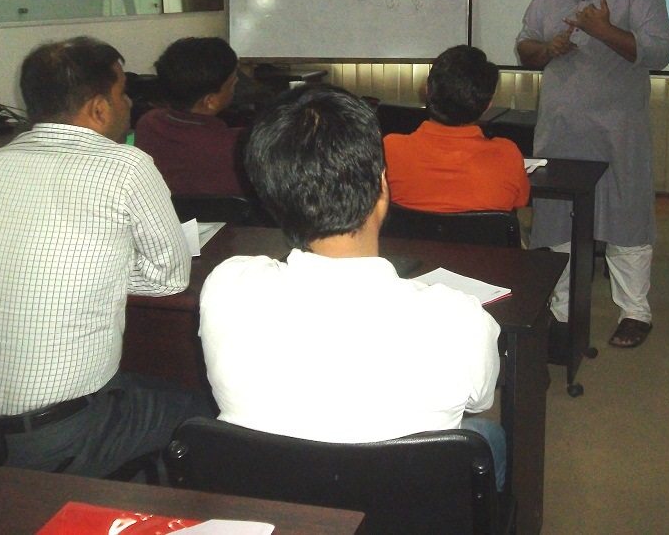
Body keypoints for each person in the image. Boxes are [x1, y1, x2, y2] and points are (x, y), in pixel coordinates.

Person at [199, 86, 505, 490]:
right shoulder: (460, 319)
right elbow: (479, 403)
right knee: (489, 435)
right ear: (382, 188)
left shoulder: (226, 285)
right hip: (406, 510)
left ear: (272, 200)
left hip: (277, 509)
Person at [0, 36, 213, 477]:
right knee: (203, 408)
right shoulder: (126, 166)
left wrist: (79, 267)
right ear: (99, 108)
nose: (129, 102)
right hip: (60, 433)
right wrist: (94, 270)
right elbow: (168, 278)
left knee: (139, 382)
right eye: (123, 91)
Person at [516, 0, 669, 350]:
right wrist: (547, 48)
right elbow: (525, 46)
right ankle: (560, 309)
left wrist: (603, 31)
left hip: (618, 132)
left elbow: (659, 53)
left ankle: (634, 312)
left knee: (626, 218)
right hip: (561, 131)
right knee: (556, 222)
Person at [384, 45, 530, 213]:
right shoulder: (508, 156)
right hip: (481, 240)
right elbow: (521, 201)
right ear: (487, 106)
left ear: (427, 90)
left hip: (408, 240)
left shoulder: (389, 150)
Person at [134, 37, 245, 196]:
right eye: (233, 83)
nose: (237, 83)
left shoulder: (148, 124)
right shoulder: (238, 146)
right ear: (210, 101)